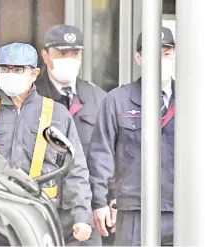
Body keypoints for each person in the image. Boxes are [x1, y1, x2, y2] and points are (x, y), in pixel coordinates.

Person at [0, 42, 93, 244]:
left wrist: (81, 216)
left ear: (34, 74)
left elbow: (75, 168)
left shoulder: (56, 114)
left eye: (18, 69)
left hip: (43, 214)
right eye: (5, 69)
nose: (11, 74)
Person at [87, 26, 176, 246]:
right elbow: (101, 154)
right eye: (154, 55)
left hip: (181, 209)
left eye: (166, 54)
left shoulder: (193, 99)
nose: (161, 60)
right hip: (134, 210)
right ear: (139, 58)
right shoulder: (117, 100)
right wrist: (99, 201)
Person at [35, 24, 107, 246]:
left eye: (75, 53)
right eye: (61, 53)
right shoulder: (32, 97)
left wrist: (104, 201)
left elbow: (106, 155)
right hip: (43, 207)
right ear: (45, 55)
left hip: (86, 210)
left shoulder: (98, 98)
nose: (69, 59)